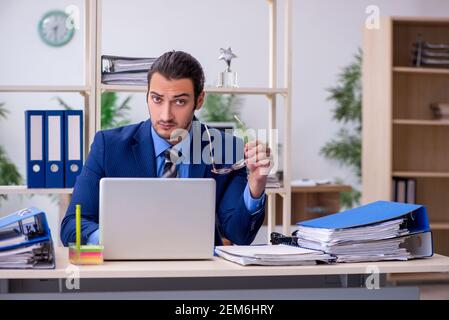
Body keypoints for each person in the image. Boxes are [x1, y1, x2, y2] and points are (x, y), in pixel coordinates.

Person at [60, 50, 272, 246]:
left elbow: (239, 235)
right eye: (157, 99)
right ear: (147, 96)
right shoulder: (109, 146)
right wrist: (114, 239)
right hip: (128, 272)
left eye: (179, 102)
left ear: (199, 100)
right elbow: (72, 226)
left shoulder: (227, 148)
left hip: (201, 276)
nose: (165, 115)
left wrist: (256, 184)